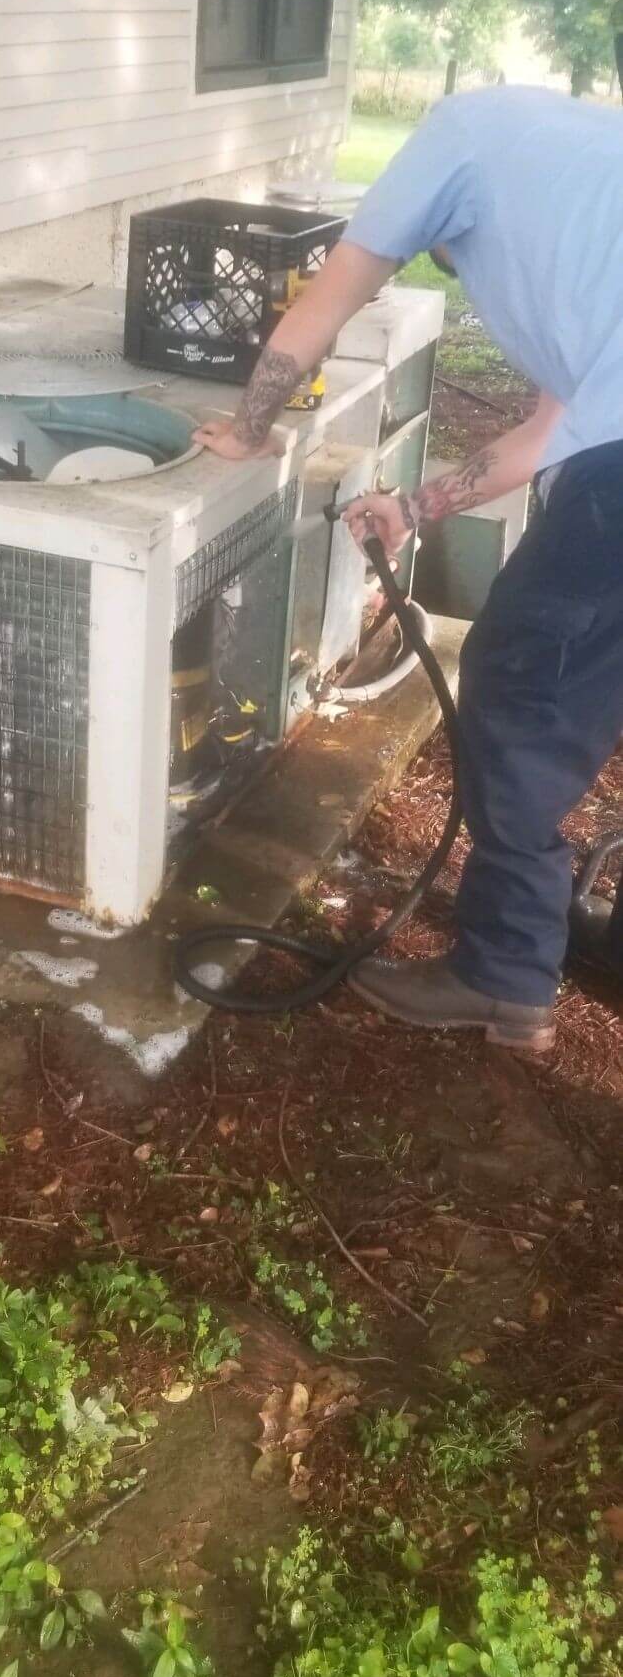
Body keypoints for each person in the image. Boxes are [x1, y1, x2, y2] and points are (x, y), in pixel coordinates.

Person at [194, 86, 623, 1054]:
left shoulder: (448, 138)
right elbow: (544, 434)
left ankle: (502, 977)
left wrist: (245, 428)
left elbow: (327, 297)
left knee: (520, 685)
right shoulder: (579, 191)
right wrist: (413, 506)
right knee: (585, 668)